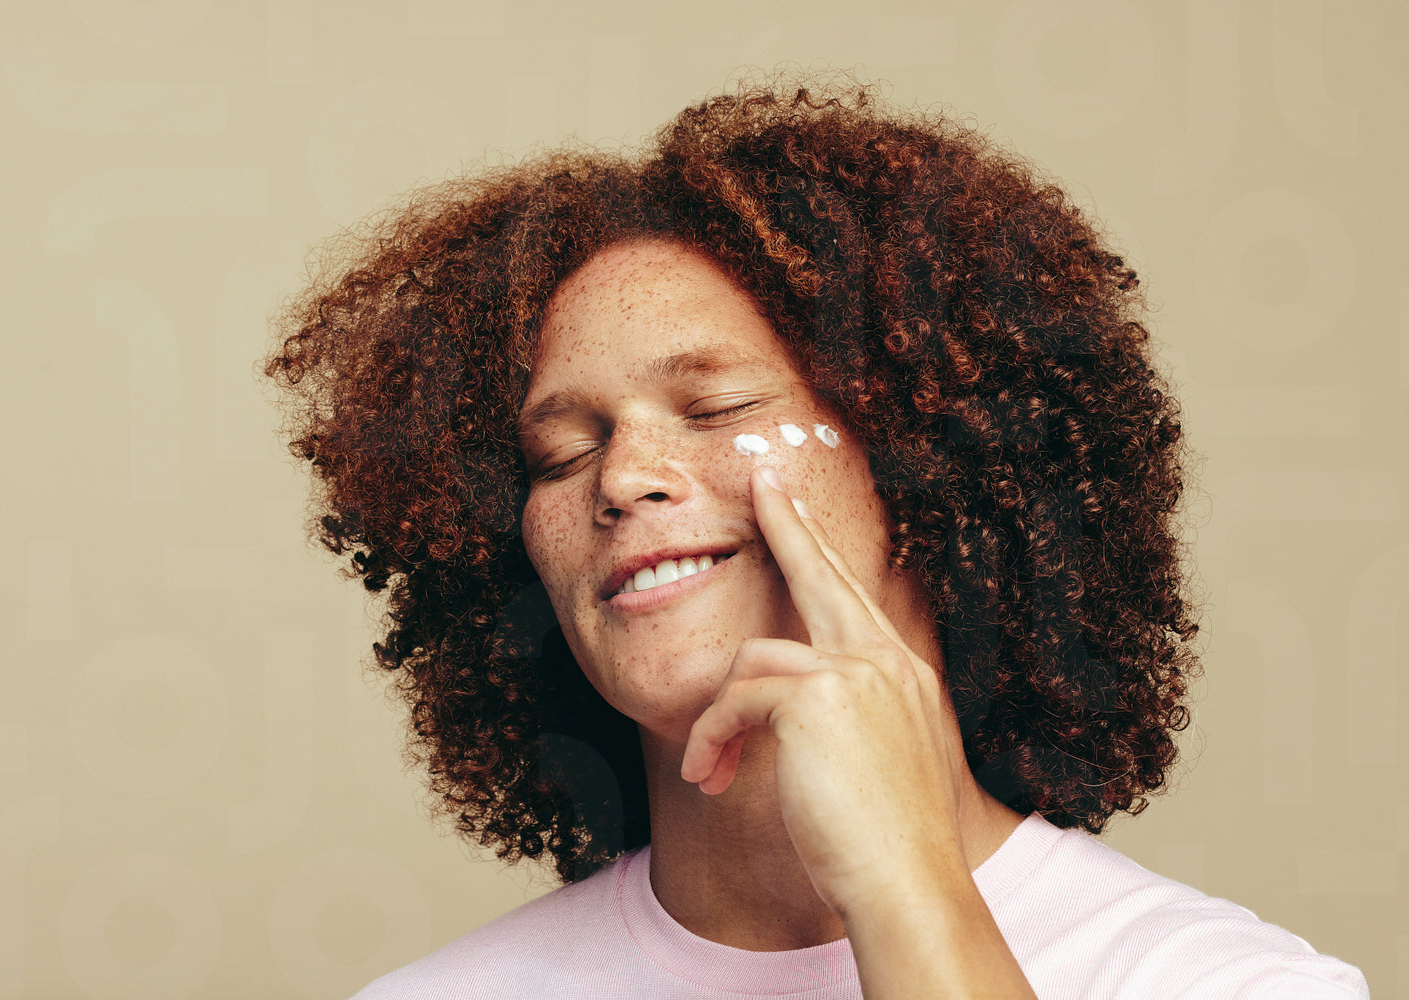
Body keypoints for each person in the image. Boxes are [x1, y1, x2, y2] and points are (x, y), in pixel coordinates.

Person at [266, 80, 1370, 998]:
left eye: (716, 409)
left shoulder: (1218, 981)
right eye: (561, 452)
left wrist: (902, 890)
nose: (622, 477)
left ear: (929, 460)